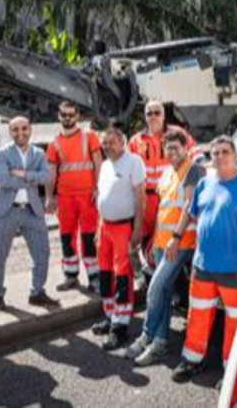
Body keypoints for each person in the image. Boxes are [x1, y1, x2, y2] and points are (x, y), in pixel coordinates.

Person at [171, 136, 237, 383]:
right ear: (211, 158)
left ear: (235, 156)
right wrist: (175, 237)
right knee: (198, 315)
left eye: (225, 152)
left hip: (234, 268)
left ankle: (232, 370)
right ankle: (192, 360)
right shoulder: (204, 184)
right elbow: (190, 212)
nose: (220, 156)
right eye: (215, 153)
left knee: (235, 320)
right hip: (203, 265)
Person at [126, 129, 205, 366]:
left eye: (176, 147)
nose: (171, 152)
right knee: (165, 291)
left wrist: (175, 237)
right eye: (168, 148)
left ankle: (147, 335)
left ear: (185, 148)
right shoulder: (167, 173)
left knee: (154, 289)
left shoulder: (194, 170)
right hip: (162, 242)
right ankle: (160, 342)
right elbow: (163, 209)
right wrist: (154, 241)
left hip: (180, 243)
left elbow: (189, 207)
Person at [0, 116, 59, 310]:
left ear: (30, 130)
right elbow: (4, 181)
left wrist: (23, 174)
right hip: (6, 210)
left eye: (24, 128)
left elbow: (46, 177)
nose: (20, 132)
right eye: (15, 129)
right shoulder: (1, 154)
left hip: (32, 210)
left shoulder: (38, 153)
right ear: (10, 132)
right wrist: (31, 180)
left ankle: (37, 292)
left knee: (42, 253)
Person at [91, 128, 146, 351]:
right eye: (105, 143)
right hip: (105, 227)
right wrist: (98, 228)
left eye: (112, 142)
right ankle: (109, 315)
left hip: (124, 227)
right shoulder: (104, 165)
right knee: (105, 273)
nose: (107, 146)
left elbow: (140, 197)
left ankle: (120, 328)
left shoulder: (134, 162)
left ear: (122, 143)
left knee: (123, 276)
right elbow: (103, 198)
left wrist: (138, 229)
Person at [46, 101, 103, 291]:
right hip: (65, 197)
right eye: (64, 114)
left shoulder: (89, 137)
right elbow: (51, 172)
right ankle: (71, 276)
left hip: (87, 196)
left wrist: (98, 188)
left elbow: (98, 164)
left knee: (89, 238)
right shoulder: (54, 143)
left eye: (71, 115)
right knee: (66, 237)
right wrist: (49, 196)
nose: (67, 118)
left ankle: (94, 277)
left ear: (78, 116)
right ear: (59, 116)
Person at [127, 100, 195, 253]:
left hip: (169, 196)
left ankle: (166, 272)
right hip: (145, 199)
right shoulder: (136, 141)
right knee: (146, 240)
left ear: (164, 116)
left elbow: (194, 153)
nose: (153, 116)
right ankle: (149, 273)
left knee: (167, 238)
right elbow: (127, 169)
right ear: (145, 117)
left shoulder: (176, 134)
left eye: (157, 112)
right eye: (149, 113)